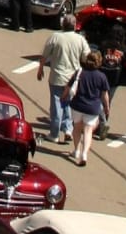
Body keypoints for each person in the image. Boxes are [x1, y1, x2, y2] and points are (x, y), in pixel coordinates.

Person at [37, 14, 90, 145]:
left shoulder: (55, 37)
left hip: (57, 77)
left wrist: (41, 68)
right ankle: (68, 130)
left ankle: (54, 134)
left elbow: (44, 55)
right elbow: (87, 57)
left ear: (63, 25)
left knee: (56, 106)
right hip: (73, 79)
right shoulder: (80, 39)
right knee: (68, 104)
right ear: (74, 25)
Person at [69, 50, 111, 167]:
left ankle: (76, 150)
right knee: (88, 131)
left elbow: (70, 85)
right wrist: (107, 107)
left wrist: (64, 96)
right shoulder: (101, 76)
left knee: (77, 128)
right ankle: (84, 154)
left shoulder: (80, 73)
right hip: (92, 108)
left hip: (78, 105)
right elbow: (104, 95)